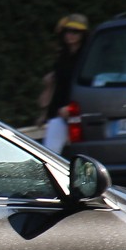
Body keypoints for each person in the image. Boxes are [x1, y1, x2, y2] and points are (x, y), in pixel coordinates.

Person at [39, 13, 88, 154]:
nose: (70, 35)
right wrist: (44, 113)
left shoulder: (86, 56)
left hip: (77, 111)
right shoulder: (62, 56)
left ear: (83, 34)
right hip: (59, 113)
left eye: (75, 32)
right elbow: (55, 84)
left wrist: (71, 108)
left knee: (79, 152)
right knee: (50, 152)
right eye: (67, 31)